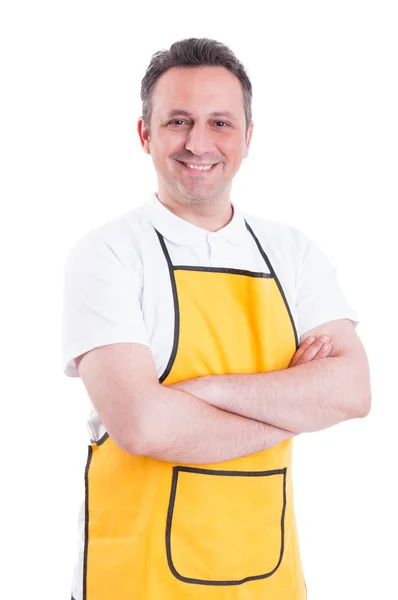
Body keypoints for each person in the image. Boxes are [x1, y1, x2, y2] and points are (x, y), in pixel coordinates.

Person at [62, 37, 371, 600]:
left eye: (220, 123)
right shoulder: (108, 254)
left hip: (268, 576)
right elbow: (143, 426)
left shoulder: (293, 254)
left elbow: (352, 391)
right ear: (145, 134)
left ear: (248, 138)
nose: (198, 142)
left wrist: (199, 392)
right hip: (138, 578)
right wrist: (294, 408)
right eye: (178, 121)